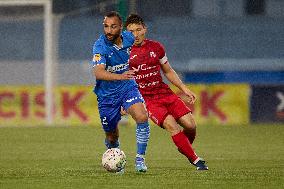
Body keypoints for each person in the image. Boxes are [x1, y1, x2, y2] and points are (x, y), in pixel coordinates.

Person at [124, 14, 208, 170]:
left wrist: (184, 89)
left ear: (145, 29)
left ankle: (184, 147)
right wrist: (124, 101)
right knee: (172, 126)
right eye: (131, 31)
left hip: (166, 94)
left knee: (190, 125)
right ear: (126, 33)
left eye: (138, 30)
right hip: (148, 100)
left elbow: (168, 71)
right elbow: (122, 80)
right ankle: (196, 160)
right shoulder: (124, 53)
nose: (135, 34)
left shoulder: (156, 47)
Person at [91, 11, 150, 173]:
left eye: (113, 27)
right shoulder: (100, 46)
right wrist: (120, 75)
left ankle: (140, 159)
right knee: (112, 136)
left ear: (121, 28)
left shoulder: (129, 38)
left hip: (127, 87)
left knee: (142, 116)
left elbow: (143, 42)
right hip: (107, 96)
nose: (108, 31)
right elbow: (98, 73)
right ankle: (115, 156)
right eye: (106, 26)